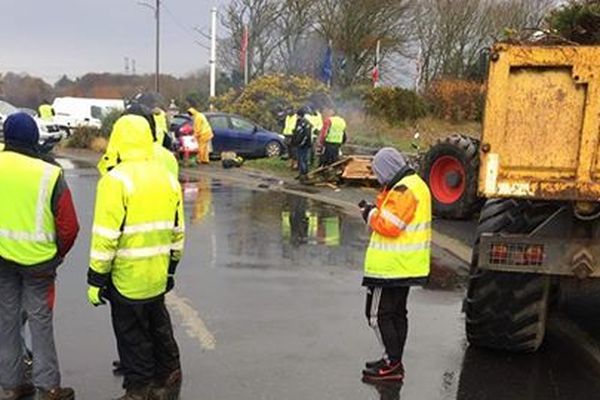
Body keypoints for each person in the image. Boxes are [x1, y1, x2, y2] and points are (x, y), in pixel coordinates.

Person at [86, 114, 185, 400]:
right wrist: (171, 269)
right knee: (158, 322)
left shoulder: (114, 181)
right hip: (157, 273)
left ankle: (138, 389)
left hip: (127, 276)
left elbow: (105, 236)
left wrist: (96, 278)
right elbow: (178, 231)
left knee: (131, 334)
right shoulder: (166, 178)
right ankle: (169, 370)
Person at [0, 113, 79, 400]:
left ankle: (11, 385)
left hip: (2, 261)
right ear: (34, 139)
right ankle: (49, 388)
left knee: (6, 320)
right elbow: (69, 226)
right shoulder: (49, 173)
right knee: (40, 322)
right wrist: (57, 253)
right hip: (38, 264)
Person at [359, 147, 431, 383]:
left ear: (387, 169)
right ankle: (393, 359)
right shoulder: (414, 184)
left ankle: (392, 363)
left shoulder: (403, 189)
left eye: (379, 172)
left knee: (376, 315)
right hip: (407, 265)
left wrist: (369, 214)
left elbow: (389, 225)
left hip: (390, 267)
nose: (378, 178)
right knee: (397, 314)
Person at [291, 107, 313, 181]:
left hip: (304, 144)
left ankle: (304, 174)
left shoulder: (304, 123)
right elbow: (297, 133)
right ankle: (301, 173)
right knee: (301, 159)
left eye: (297, 114)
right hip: (301, 143)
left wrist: (301, 143)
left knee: (302, 159)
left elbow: (306, 135)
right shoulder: (300, 122)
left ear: (299, 115)